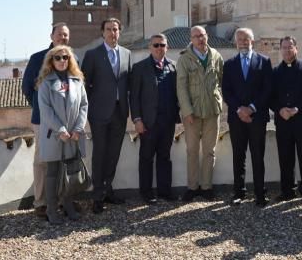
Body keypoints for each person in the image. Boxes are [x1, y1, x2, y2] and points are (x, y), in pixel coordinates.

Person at [81, 18, 132, 214]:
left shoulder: (127, 54)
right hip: (99, 114)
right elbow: (85, 85)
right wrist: (90, 109)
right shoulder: (93, 55)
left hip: (120, 113)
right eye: (109, 29)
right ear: (102, 33)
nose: (112, 33)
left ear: (120, 32)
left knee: (113, 154)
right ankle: (97, 196)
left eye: (116, 29)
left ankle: (108, 190)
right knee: (100, 154)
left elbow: (128, 84)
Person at [21, 22, 71, 218]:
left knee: (66, 159)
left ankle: (64, 199)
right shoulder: (37, 59)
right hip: (43, 120)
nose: (62, 38)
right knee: (42, 159)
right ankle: (41, 202)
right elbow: (27, 88)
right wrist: (41, 108)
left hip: (67, 119)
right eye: (59, 34)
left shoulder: (72, 58)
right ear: (51, 36)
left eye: (66, 35)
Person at [36, 45, 88, 225]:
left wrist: (78, 128)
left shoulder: (77, 80)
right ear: (51, 60)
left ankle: (68, 204)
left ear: (70, 59)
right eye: (57, 58)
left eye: (65, 57)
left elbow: (83, 105)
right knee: (53, 173)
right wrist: (61, 130)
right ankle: (51, 209)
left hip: (74, 135)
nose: (62, 61)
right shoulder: (45, 83)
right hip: (54, 135)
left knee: (72, 171)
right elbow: (46, 111)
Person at [222, 28, 273, 206]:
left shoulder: (264, 62)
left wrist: (251, 108)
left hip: (257, 117)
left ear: (253, 41)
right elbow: (226, 91)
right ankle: (239, 192)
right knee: (239, 155)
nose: (243, 42)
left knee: (258, 155)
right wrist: (239, 110)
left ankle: (260, 193)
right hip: (237, 118)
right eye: (240, 39)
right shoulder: (228, 64)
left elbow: (267, 89)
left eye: (247, 39)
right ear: (236, 42)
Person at [130, 34, 180, 204]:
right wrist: (137, 120)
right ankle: (146, 193)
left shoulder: (173, 67)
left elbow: (178, 95)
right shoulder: (139, 68)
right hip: (148, 122)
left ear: (167, 47)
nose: (159, 48)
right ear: (150, 47)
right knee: (146, 157)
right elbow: (134, 97)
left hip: (168, 121)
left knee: (165, 157)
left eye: (162, 45)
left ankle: (165, 191)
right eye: (156, 45)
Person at [176, 25, 224, 201]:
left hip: (212, 111)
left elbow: (220, 81)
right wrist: (187, 111)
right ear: (191, 39)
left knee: (210, 151)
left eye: (202, 35)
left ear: (207, 37)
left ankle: (206, 187)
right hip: (193, 113)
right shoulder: (184, 59)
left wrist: (219, 101)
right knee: (192, 150)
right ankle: (192, 187)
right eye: (196, 36)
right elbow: (181, 87)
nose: (200, 39)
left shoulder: (216, 56)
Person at [271, 36, 302, 205]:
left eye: (290, 47)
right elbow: (271, 96)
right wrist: (279, 109)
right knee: (285, 157)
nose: (287, 50)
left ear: (296, 49)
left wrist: (296, 108)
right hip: (283, 120)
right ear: (280, 50)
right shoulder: (275, 72)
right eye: (284, 47)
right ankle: (287, 191)